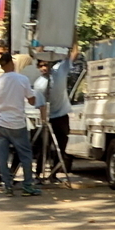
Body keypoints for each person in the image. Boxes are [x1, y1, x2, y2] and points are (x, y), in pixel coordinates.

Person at [0, 51, 38, 195]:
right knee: (25, 155)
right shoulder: (22, 79)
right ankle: (28, 185)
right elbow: (31, 100)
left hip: (1, 123)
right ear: (12, 63)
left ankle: (8, 186)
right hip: (17, 123)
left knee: (3, 156)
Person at [43, 45, 76, 183]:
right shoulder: (41, 80)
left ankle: (54, 173)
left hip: (61, 115)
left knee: (61, 147)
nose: (44, 67)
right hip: (48, 117)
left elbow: (74, 53)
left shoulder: (60, 69)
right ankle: (40, 173)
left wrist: (71, 36)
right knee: (44, 147)